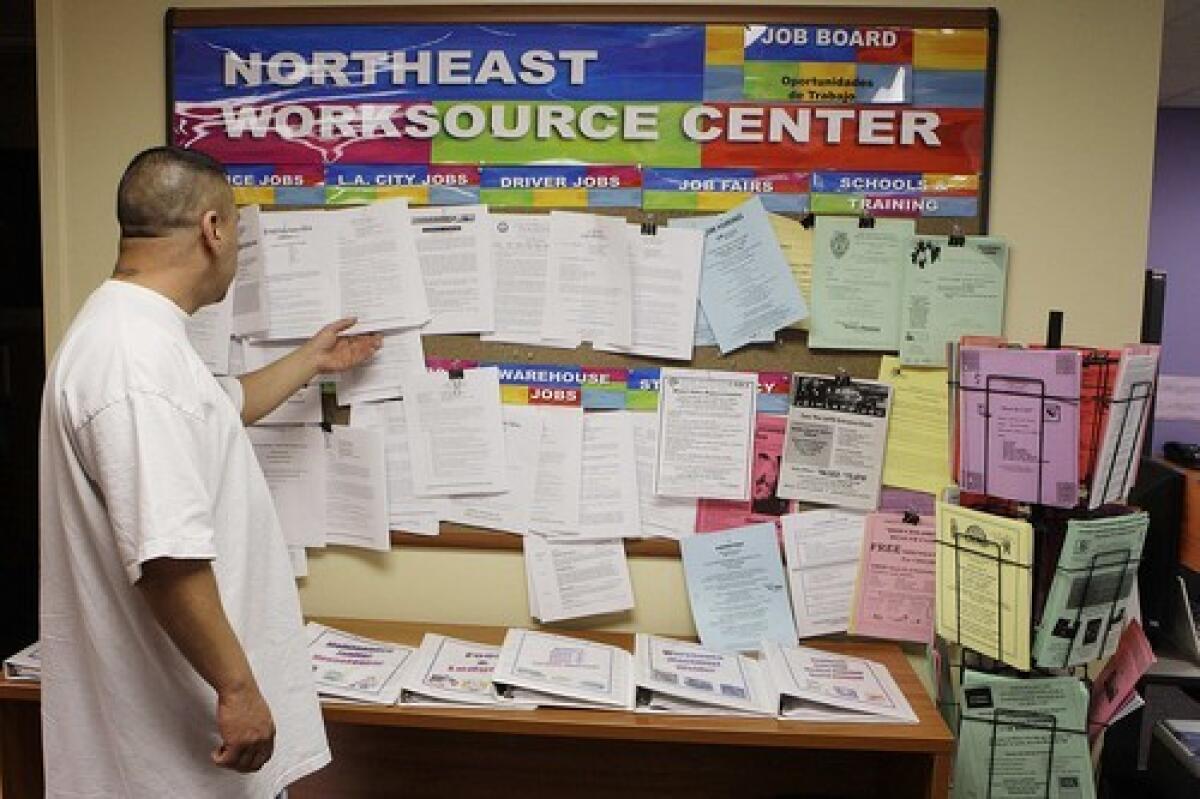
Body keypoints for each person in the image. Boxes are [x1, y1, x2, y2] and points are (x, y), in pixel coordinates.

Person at [38, 146, 383, 797]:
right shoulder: (134, 362)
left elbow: (225, 407)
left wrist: (310, 361)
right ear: (212, 228)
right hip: (174, 751)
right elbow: (167, 553)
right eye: (238, 229)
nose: (237, 249)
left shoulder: (136, 336)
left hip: (177, 734)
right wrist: (238, 687)